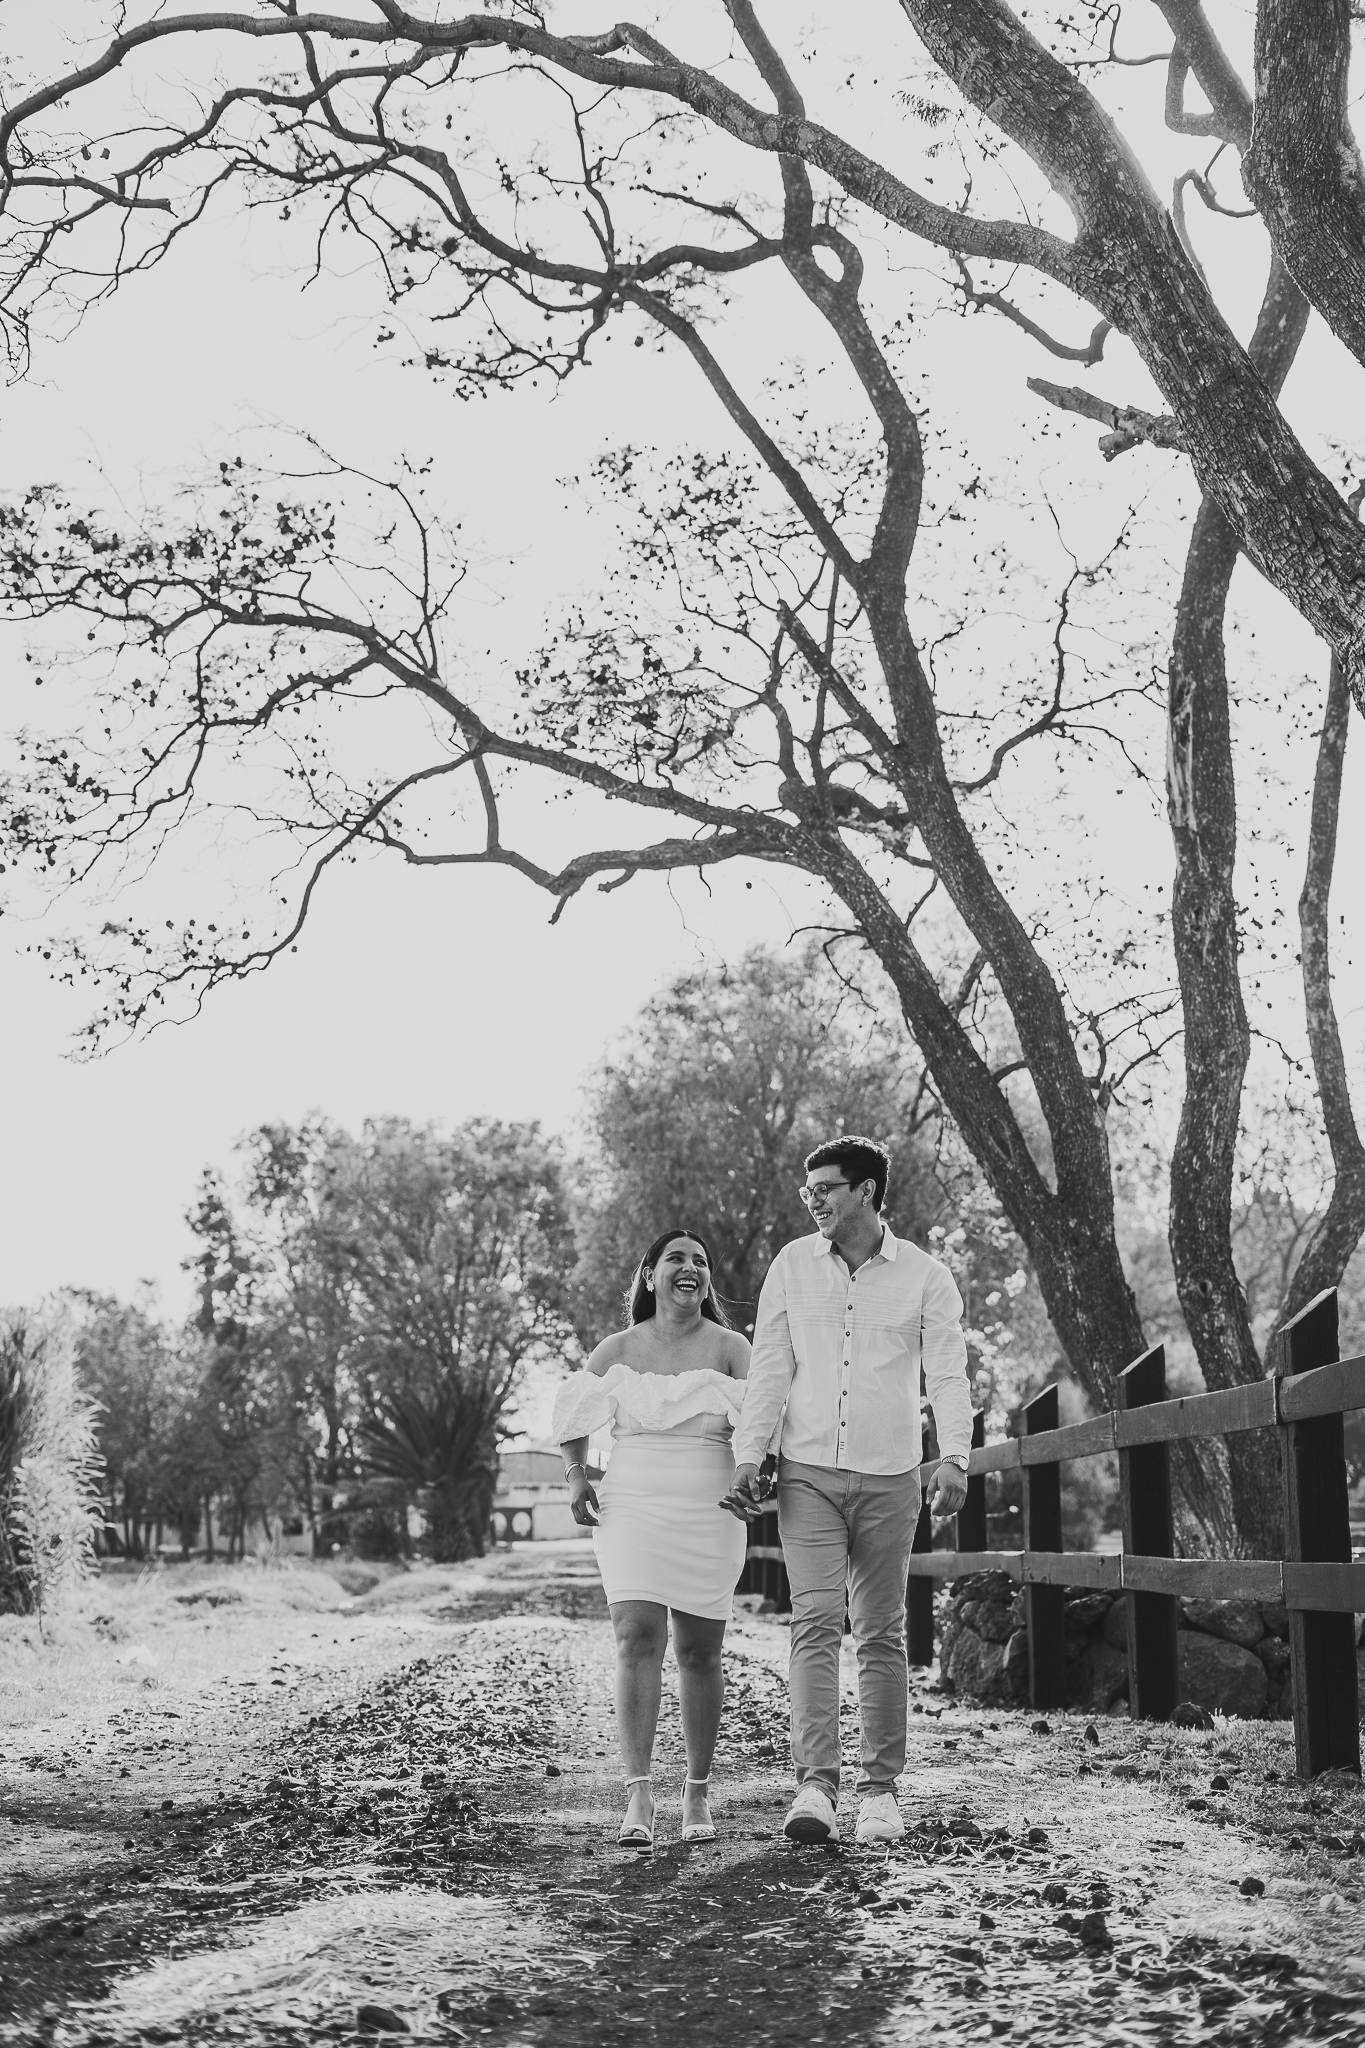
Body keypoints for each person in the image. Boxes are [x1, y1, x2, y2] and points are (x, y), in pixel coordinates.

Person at [724, 1136, 973, 1848]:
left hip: (892, 1476)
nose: (814, 1202)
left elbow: (946, 1373)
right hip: (807, 1472)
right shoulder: (791, 1266)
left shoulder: (925, 1276)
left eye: (825, 1188)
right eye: (808, 1192)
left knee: (881, 1630)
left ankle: (880, 1792)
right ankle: (815, 1785)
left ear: (866, 1191)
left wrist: (954, 1457)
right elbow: (771, 1367)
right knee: (813, 1622)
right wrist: (750, 1454)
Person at [552, 1228, 753, 1849]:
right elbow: (573, 1412)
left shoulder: (732, 1348)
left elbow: (765, 1422)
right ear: (649, 1275)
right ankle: (638, 1791)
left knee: (699, 1651)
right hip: (632, 1504)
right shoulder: (617, 1348)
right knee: (636, 1637)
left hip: (710, 1507)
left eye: (700, 1261)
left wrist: (757, 1474)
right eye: (676, 1259)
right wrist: (576, 1475)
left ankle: (696, 1790)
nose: (690, 1268)